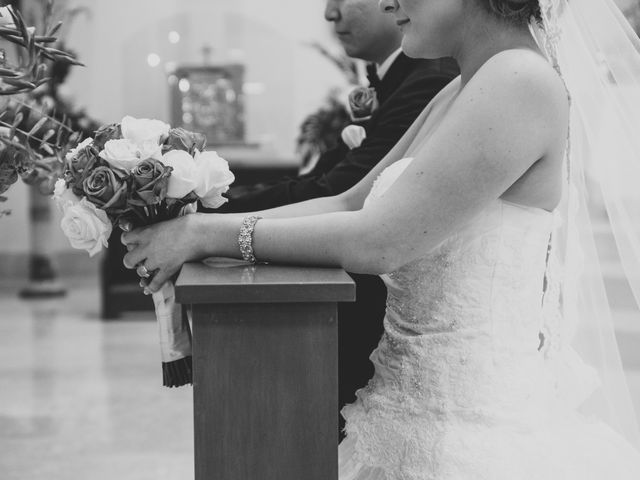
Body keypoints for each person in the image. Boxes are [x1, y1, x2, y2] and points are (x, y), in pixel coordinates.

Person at [123, 0, 640, 477]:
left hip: (464, 424)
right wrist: (195, 229)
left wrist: (204, 233)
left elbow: (380, 242)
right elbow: (351, 201)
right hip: (401, 407)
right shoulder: (466, 84)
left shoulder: (518, 79)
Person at [213, 0, 458, 439]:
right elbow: (339, 192)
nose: (330, 15)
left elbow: (347, 203)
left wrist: (208, 220)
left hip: (385, 326)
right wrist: (205, 219)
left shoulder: (438, 80)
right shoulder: (435, 86)